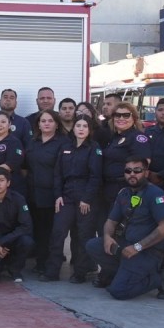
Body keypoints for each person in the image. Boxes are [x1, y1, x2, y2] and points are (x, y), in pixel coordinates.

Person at [86, 157, 164, 300]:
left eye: (137, 170)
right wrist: (107, 237)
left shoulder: (156, 194)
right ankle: (123, 274)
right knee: (93, 245)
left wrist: (138, 247)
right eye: (128, 171)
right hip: (126, 246)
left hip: (147, 252)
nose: (132, 174)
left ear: (146, 173)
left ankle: (159, 278)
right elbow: (111, 221)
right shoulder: (124, 193)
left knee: (118, 292)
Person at [43, 116, 102, 282]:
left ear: (90, 130)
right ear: (73, 128)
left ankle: (80, 273)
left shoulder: (94, 148)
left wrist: (87, 199)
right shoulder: (65, 147)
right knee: (58, 233)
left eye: (85, 126)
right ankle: (52, 271)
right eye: (78, 125)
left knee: (83, 235)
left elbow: (95, 176)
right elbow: (58, 175)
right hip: (66, 196)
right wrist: (58, 196)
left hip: (85, 197)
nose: (81, 129)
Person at [24, 110, 65, 274]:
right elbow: (25, 168)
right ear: (38, 124)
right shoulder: (32, 142)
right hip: (33, 194)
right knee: (38, 230)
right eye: (43, 121)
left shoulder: (63, 143)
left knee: (51, 232)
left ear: (56, 124)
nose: (46, 123)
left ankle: (51, 265)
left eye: (50, 121)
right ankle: (40, 263)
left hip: (52, 195)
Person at [100, 102, 151, 231]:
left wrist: (131, 191)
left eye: (126, 115)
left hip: (126, 189)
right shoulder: (114, 138)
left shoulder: (138, 137)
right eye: (117, 115)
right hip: (108, 189)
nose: (121, 118)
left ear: (133, 118)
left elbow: (142, 166)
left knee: (121, 230)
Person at [0, 167, 34, 282]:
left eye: (1, 180)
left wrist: (3, 242)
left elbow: (26, 226)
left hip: (13, 240)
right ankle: (1, 263)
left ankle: (15, 269)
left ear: (8, 183)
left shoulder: (18, 199)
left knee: (27, 242)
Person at [146, 97, 164, 268]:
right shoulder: (149, 132)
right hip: (150, 187)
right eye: (160, 109)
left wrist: (162, 175)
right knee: (151, 228)